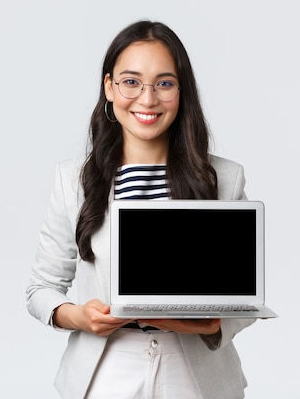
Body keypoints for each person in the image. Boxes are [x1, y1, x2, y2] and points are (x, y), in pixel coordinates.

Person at [26, 20, 258, 399]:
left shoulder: (224, 178)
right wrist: (79, 316)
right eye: (131, 82)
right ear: (109, 88)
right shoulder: (73, 181)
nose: (147, 99)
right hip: (105, 372)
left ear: (181, 92)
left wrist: (210, 325)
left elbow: (242, 299)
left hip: (196, 376)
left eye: (164, 83)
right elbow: (42, 289)